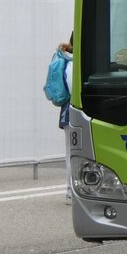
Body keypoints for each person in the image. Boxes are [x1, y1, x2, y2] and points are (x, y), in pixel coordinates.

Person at [57, 35, 74, 201]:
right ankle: (70, 190)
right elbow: (72, 89)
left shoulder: (69, 61)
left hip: (68, 113)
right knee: (72, 152)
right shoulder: (72, 63)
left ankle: (72, 190)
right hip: (71, 113)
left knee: (71, 152)